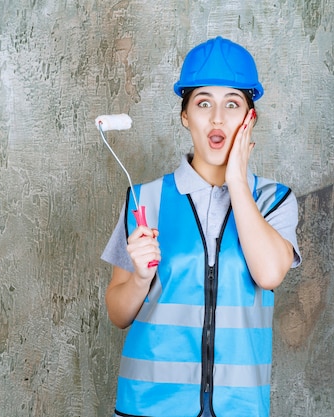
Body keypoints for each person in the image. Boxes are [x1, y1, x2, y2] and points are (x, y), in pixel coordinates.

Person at [101, 36, 302, 417]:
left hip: (240, 409)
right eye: (203, 103)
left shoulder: (274, 201)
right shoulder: (145, 199)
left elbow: (270, 273)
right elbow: (117, 312)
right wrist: (141, 279)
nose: (217, 118)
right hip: (148, 407)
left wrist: (237, 182)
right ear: (185, 116)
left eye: (232, 104)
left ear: (249, 118)